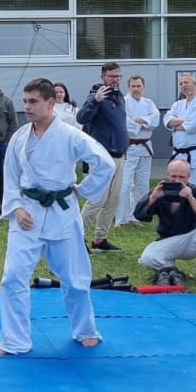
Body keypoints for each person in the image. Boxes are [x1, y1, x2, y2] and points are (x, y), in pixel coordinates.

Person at [0, 78, 115, 357]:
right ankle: (14, 340)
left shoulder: (70, 134)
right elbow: (10, 175)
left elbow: (104, 163)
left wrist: (84, 189)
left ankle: (85, 330)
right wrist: (15, 208)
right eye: (25, 101)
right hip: (27, 213)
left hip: (62, 212)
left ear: (50, 103)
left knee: (75, 278)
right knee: (12, 277)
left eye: (33, 101)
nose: (27, 107)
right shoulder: (20, 137)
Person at [134, 158, 196, 284]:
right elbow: (139, 215)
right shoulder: (160, 191)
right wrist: (153, 198)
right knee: (147, 259)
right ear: (167, 175)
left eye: (181, 177)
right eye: (173, 176)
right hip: (169, 240)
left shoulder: (194, 190)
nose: (177, 180)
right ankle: (172, 270)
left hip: (192, 239)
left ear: (188, 176)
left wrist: (190, 198)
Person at [76, 62, 128, 253]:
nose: (116, 79)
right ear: (103, 77)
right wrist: (96, 100)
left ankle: (100, 239)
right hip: (102, 158)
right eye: (112, 76)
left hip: (119, 155)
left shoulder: (118, 97)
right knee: (97, 199)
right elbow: (81, 118)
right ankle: (77, 236)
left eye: (118, 76)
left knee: (113, 199)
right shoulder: (95, 96)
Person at [164, 73, 196, 207]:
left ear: (194, 84)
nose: (183, 86)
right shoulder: (177, 105)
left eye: (186, 82)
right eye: (181, 83)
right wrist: (184, 121)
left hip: (194, 154)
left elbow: (192, 126)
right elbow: (167, 121)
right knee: (177, 187)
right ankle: (179, 215)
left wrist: (176, 124)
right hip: (178, 153)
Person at [116, 75, 158, 227]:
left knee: (142, 184)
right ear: (129, 87)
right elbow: (124, 123)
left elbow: (156, 120)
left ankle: (135, 216)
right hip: (129, 148)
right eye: (133, 86)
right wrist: (145, 121)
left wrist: (138, 119)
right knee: (124, 185)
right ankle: (120, 218)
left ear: (143, 87)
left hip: (145, 148)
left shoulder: (149, 103)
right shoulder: (122, 102)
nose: (136, 89)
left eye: (139, 86)